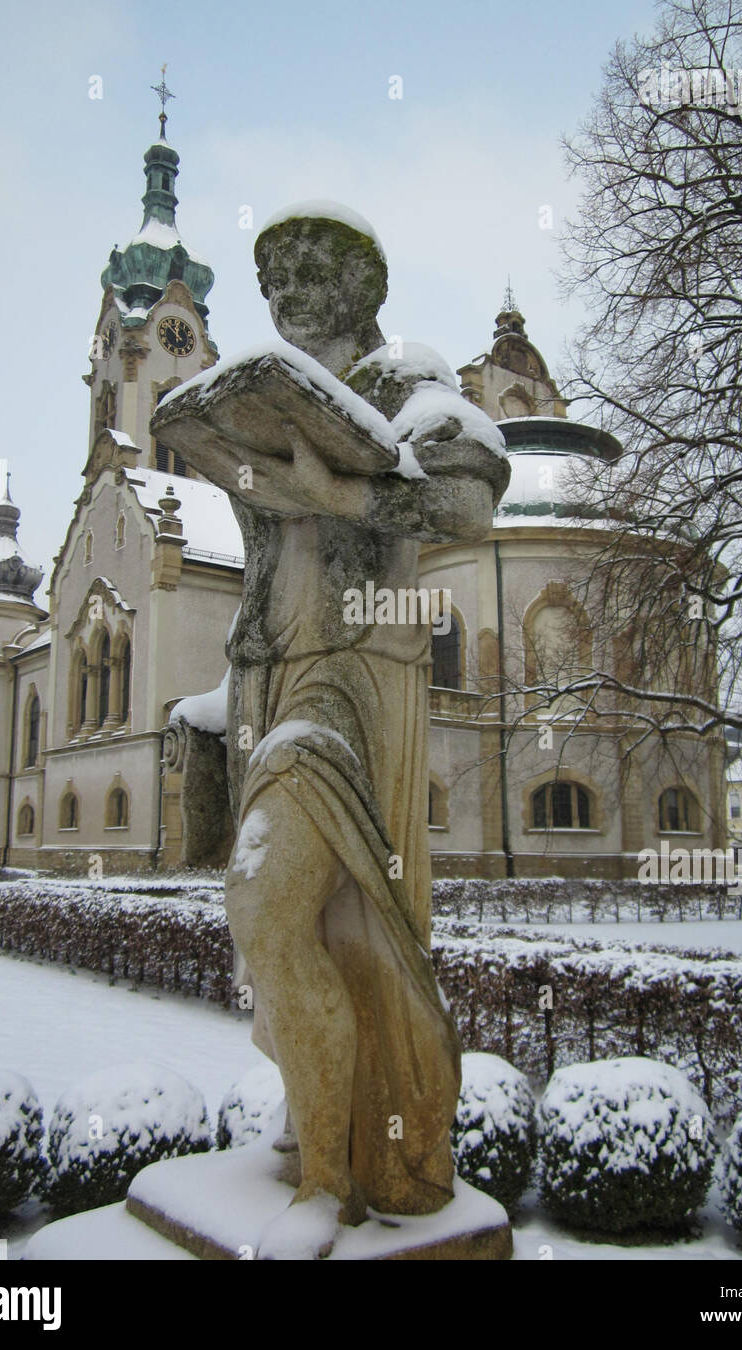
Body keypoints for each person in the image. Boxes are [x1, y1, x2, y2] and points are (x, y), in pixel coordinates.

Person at [156, 203, 509, 1258]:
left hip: (359, 683)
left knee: (270, 906)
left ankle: (329, 1185)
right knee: (286, 938)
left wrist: (343, 489)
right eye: (276, 274)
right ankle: (330, 1128)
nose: (291, 288)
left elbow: (471, 503)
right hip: (266, 681)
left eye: (314, 267)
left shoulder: (405, 381)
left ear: (363, 283)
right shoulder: (270, 397)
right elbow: (268, 544)